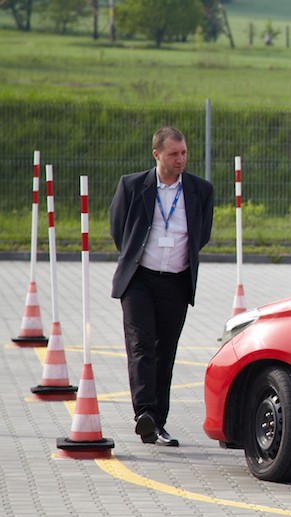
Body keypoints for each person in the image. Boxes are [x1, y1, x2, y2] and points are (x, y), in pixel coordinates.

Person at [109, 127, 214, 447]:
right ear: (156, 155)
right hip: (139, 279)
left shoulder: (200, 190)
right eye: (173, 154)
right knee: (141, 345)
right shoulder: (132, 185)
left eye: (183, 153)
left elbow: (202, 234)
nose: (180, 159)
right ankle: (144, 413)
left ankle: (159, 421)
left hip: (176, 281)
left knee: (165, 351)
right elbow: (118, 229)